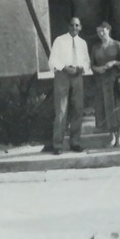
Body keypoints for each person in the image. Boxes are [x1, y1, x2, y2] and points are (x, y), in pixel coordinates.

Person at [47, 16, 91, 154]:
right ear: (68, 26)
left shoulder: (83, 43)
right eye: (72, 25)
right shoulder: (59, 41)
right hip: (63, 75)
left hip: (77, 75)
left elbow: (87, 61)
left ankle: (75, 143)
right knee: (61, 110)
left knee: (78, 109)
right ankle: (58, 145)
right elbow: (52, 60)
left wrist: (79, 68)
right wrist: (65, 68)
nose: (74, 28)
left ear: (80, 27)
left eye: (77, 25)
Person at [89, 20, 120, 147]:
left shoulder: (117, 45)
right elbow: (92, 65)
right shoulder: (95, 47)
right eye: (98, 31)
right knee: (105, 108)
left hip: (115, 80)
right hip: (101, 80)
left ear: (108, 30)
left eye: (103, 31)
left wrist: (114, 63)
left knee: (117, 107)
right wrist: (97, 69)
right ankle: (111, 137)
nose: (101, 33)